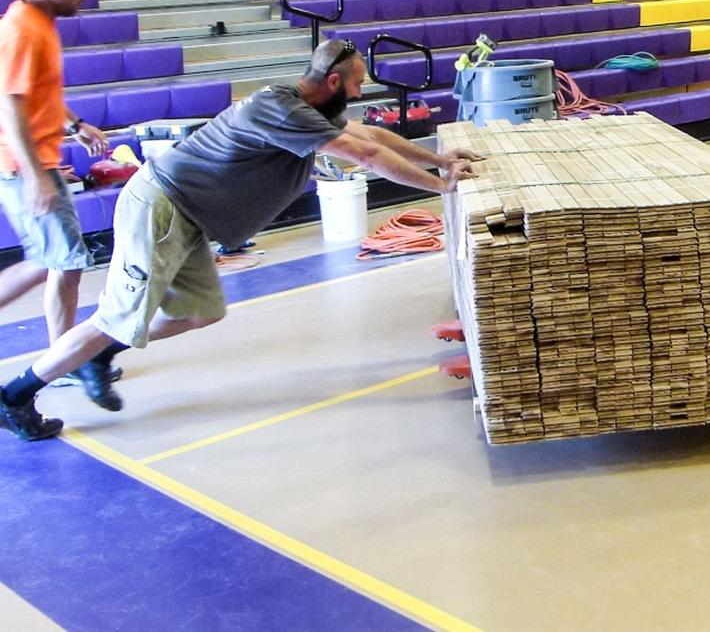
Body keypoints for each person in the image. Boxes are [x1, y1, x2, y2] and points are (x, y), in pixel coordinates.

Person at [0, 38, 479, 440]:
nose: (358, 93)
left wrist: (438, 160)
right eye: (356, 84)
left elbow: (369, 135)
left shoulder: (306, 104)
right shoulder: (281, 108)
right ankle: (15, 395)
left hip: (188, 215)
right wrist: (441, 188)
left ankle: (98, 356)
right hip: (161, 206)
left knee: (199, 311)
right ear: (333, 82)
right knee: (115, 317)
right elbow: (368, 155)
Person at [0, 0, 115, 393]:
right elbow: (8, 104)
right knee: (57, 259)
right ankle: (62, 359)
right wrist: (32, 175)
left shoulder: (40, 24)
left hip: (39, 159)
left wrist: (75, 124)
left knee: (61, 262)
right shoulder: (21, 30)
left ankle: (62, 355)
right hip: (24, 164)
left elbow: (37, 93)